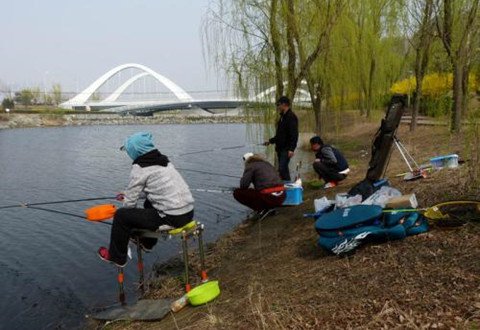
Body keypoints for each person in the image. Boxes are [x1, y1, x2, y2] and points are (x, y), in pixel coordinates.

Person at [98, 132, 194, 267]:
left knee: (121, 215)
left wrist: (127, 198)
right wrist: (127, 194)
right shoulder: (164, 162)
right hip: (188, 213)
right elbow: (155, 190)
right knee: (149, 202)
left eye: (128, 150)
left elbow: (129, 205)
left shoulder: (140, 167)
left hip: (172, 218)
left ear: (135, 150)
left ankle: (117, 257)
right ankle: (147, 243)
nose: (128, 153)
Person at [264, 96, 299, 181]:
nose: (278, 107)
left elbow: (294, 134)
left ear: (284, 104)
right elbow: (280, 135)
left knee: (282, 169)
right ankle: (287, 186)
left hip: (286, 149)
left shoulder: (291, 117)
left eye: (278, 105)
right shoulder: (282, 117)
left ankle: (288, 186)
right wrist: (270, 141)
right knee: (284, 169)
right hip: (280, 148)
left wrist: (291, 149)